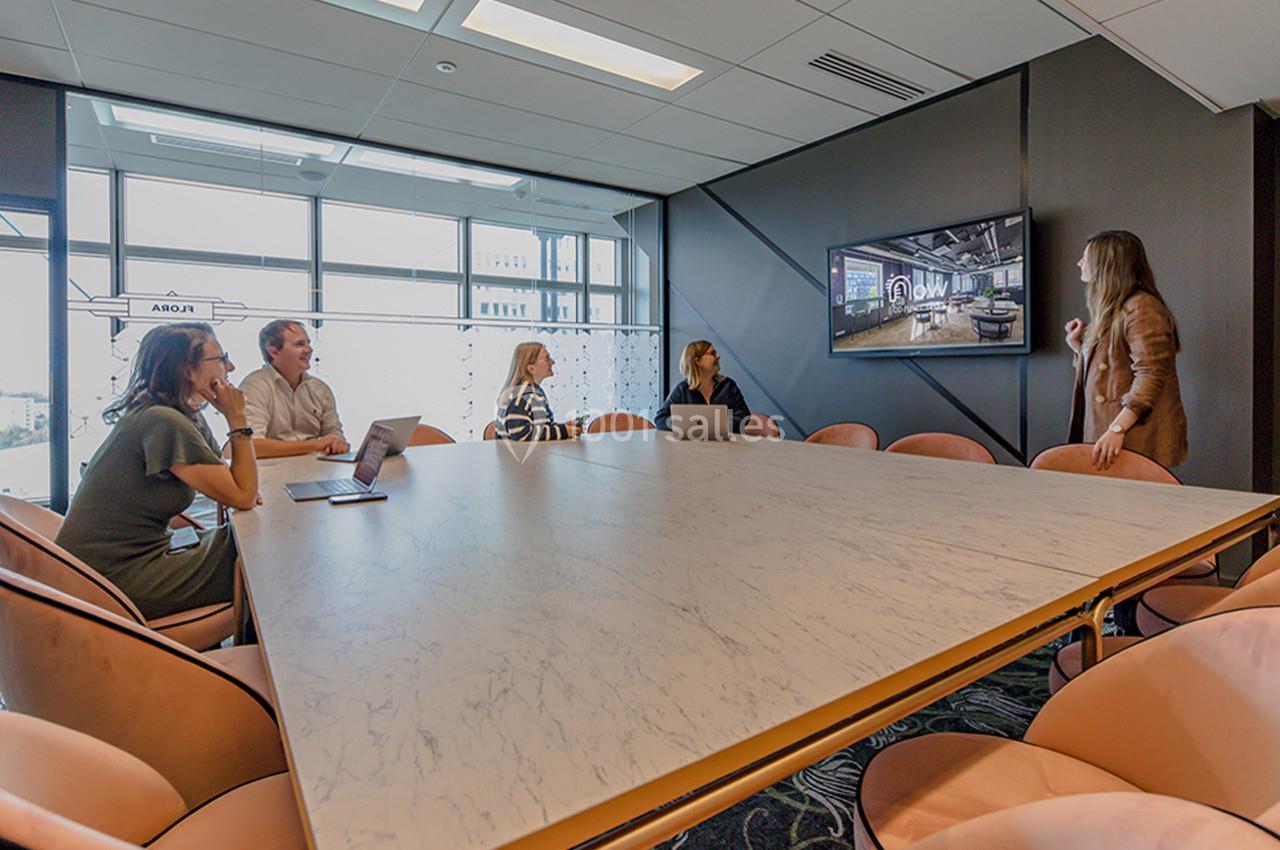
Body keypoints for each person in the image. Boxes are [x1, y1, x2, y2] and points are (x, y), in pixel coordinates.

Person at [56, 323, 259, 620]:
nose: (230, 366)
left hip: (139, 557)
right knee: (262, 551)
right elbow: (243, 495)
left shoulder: (177, 415)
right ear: (188, 370)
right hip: (115, 579)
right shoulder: (163, 422)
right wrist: (237, 418)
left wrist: (240, 486)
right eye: (220, 358)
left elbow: (230, 479)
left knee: (252, 541)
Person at [1065, 230, 1187, 471]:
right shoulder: (1116, 308)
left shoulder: (1142, 307)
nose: (1079, 263)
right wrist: (1078, 346)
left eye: (1086, 258)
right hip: (1109, 430)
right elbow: (1111, 369)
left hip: (1132, 434)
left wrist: (1117, 429)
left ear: (1106, 265)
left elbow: (1151, 374)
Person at [239, 320, 349, 458]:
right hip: (273, 473)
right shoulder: (255, 387)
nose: (309, 349)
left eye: (308, 343)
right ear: (273, 352)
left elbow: (334, 433)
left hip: (317, 470)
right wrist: (316, 445)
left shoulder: (319, 389)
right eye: (299, 344)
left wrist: (337, 444)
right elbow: (252, 446)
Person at [654, 340, 752, 433]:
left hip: (728, 447)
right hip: (691, 448)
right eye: (713, 354)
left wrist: (713, 425)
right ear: (698, 361)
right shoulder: (682, 389)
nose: (718, 356)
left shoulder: (728, 386)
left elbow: (744, 417)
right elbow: (660, 419)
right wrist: (688, 426)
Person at [495, 342, 582, 441]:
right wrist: (564, 431)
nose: (553, 362)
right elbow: (521, 434)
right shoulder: (524, 396)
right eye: (547, 358)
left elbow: (540, 427)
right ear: (531, 368)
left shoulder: (531, 392)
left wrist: (563, 427)